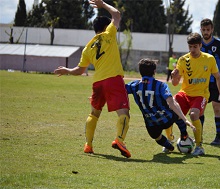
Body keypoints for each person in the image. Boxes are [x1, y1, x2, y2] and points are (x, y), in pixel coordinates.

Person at [54, 0, 131, 158]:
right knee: (124, 113)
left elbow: (80, 70)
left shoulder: (87, 48)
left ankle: (88, 145)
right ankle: (119, 140)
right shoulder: (109, 33)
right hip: (113, 80)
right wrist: (102, 4)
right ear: (106, 26)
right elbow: (116, 14)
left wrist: (67, 70)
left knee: (94, 114)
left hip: (98, 83)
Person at [170, 32, 220, 156]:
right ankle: (169, 141)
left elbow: (218, 77)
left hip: (201, 95)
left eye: (195, 47)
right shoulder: (183, 60)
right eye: (190, 47)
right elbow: (175, 83)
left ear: (200, 45)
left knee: (194, 114)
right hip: (184, 94)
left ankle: (199, 146)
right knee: (170, 111)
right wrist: (173, 77)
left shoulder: (209, 59)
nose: (192, 50)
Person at [125, 58, 196, 153]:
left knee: (157, 137)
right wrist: (185, 119)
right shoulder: (160, 85)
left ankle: (169, 147)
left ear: (140, 71)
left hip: (151, 123)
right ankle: (184, 134)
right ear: (154, 71)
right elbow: (171, 102)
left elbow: (120, 90)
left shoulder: (134, 85)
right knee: (176, 113)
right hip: (167, 118)